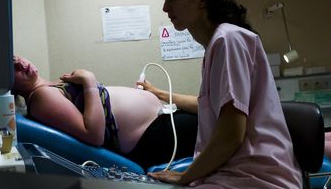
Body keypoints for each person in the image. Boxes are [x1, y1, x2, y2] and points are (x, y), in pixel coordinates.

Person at [145, 0, 302, 189]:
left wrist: (185, 176)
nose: (166, 8)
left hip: (258, 181)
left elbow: (231, 134)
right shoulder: (218, 44)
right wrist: (161, 94)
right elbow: (209, 107)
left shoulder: (228, 40)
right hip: (230, 175)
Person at [12, 55, 198, 170]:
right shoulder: (40, 97)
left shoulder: (47, 88)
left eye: (15, 57)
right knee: (216, 122)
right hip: (149, 137)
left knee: (210, 114)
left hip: (158, 123)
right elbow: (94, 135)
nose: (20, 63)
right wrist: (90, 81)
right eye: (12, 68)